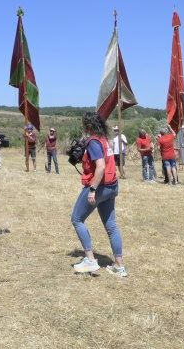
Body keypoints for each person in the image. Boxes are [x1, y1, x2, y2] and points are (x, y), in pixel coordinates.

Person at [70, 111, 125, 277]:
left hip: (99, 187)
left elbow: (100, 167)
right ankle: (119, 266)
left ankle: (90, 261)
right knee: (111, 226)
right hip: (112, 186)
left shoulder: (93, 141)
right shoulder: (104, 140)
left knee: (77, 219)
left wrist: (92, 189)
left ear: (87, 125)